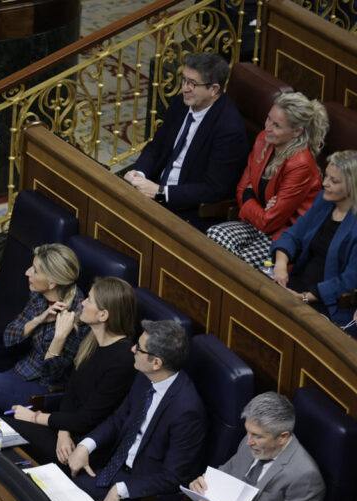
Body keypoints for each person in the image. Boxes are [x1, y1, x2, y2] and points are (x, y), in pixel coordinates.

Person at [67, 320, 206, 501]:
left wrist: (122, 489)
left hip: (140, 491)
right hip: (111, 467)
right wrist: (85, 446)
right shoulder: (144, 377)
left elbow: (174, 476)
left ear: (156, 363)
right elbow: (119, 419)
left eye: (139, 349)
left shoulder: (187, 410)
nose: (132, 349)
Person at [5, 277, 137, 466]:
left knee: (5, 430)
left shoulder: (123, 360)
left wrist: (35, 417)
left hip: (84, 446)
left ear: (103, 315)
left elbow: (87, 420)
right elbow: (71, 392)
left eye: (89, 300)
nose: (82, 302)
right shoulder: (91, 341)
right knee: (1, 427)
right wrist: (62, 431)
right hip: (67, 430)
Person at [0, 244, 89, 412]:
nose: (27, 272)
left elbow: (51, 376)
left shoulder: (77, 316)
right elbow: (9, 337)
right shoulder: (39, 295)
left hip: (42, 393)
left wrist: (59, 338)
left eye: (35, 271)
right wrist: (38, 319)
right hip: (21, 372)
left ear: (52, 282)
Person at [124, 52, 247, 231]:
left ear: (213, 89)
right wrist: (139, 173)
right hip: (154, 188)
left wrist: (161, 193)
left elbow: (213, 189)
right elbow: (156, 146)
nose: (184, 88)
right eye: (184, 80)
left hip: (186, 210)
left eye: (193, 84)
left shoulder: (229, 130)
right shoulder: (181, 104)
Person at [207, 92, 328, 268]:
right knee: (215, 235)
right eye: (269, 119)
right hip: (256, 223)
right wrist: (255, 202)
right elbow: (242, 189)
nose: (268, 127)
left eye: (277, 125)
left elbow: (269, 221)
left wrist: (250, 197)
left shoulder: (300, 164)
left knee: (243, 263)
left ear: (297, 131)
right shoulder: (263, 139)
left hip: (285, 236)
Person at [188, 392, 325, 501]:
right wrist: (201, 490)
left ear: (283, 437)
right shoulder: (250, 444)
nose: (249, 442)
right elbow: (223, 479)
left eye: (257, 436)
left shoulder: (305, 476)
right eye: (248, 432)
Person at [270, 150, 357, 327]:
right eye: (326, 177)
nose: (325, 183)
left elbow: (348, 282)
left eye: (334, 181)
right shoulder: (323, 202)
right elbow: (293, 235)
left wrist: (304, 297)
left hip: (328, 303)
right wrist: (280, 265)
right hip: (297, 282)